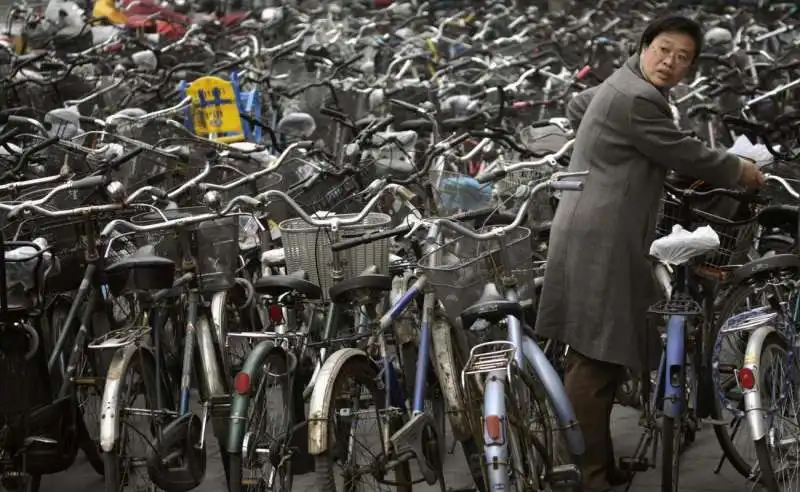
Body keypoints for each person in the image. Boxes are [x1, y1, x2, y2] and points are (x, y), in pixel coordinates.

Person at [535, 15, 764, 492]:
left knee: (600, 354)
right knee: (594, 359)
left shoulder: (623, 83)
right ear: (644, 46)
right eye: (664, 49)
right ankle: (588, 475)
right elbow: (685, 153)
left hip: (594, 226)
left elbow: (589, 111)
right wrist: (741, 171)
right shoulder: (638, 98)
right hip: (603, 237)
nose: (670, 63)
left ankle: (599, 464)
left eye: (682, 58)